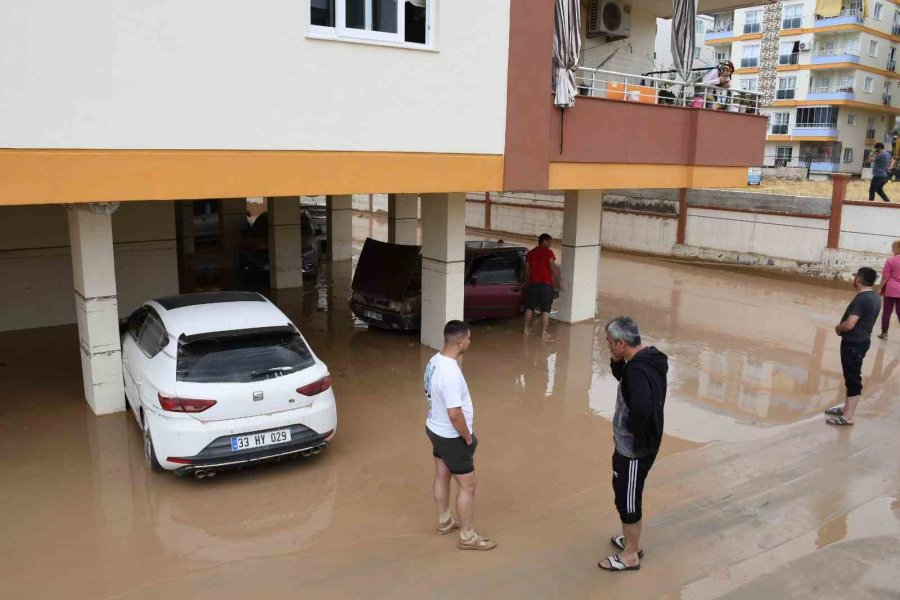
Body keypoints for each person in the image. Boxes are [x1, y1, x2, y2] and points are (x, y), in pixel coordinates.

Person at [598, 317, 669, 573]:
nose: (606, 344)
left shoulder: (638, 371)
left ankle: (631, 554)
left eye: (609, 341)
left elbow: (641, 407)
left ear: (621, 342)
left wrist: (631, 432)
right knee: (625, 493)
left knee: (628, 500)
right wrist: (618, 362)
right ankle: (630, 540)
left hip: (635, 450)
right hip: (640, 445)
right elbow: (627, 383)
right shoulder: (649, 359)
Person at [424, 320, 497, 551]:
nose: (470, 342)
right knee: (468, 485)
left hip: (434, 428)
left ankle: (445, 521)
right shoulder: (451, 373)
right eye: (469, 338)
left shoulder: (434, 362)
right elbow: (455, 414)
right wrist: (466, 437)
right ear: (460, 341)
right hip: (451, 435)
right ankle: (468, 536)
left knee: (442, 474)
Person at [825, 267, 881, 426]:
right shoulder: (875, 296)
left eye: (855, 276)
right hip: (862, 341)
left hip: (854, 343)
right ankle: (846, 408)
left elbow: (849, 324)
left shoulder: (862, 299)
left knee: (853, 378)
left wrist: (838, 328)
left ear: (858, 279)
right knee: (851, 376)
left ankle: (848, 416)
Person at [523, 233, 565, 341]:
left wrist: (523, 282)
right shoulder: (548, 252)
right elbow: (552, 267)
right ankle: (543, 333)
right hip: (546, 285)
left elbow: (526, 270)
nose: (551, 244)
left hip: (533, 285)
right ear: (544, 241)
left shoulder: (530, 253)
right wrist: (559, 281)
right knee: (546, 310)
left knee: (529, 308)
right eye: (550, 242)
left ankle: (526, 330)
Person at [877, 239, 900, 340]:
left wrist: (880, 288)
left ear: (896, 248)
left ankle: (884, 333)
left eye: (892, 248)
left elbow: (885, 277)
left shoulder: (890, 260)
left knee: (887, 312)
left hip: (890, 290)